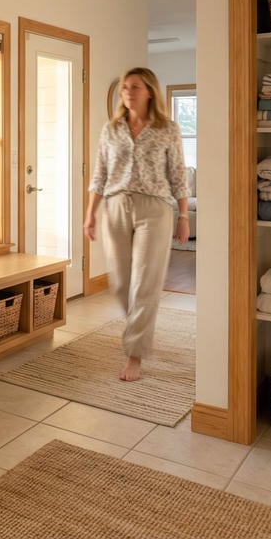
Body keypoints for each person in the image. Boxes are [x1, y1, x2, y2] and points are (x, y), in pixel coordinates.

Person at [84, 67, 190, 381]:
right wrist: (90, 213)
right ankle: (141, 331)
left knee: (145, 283)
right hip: (115, 206)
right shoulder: (111, 128)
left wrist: (183, 216)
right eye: (124, 88)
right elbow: (99, 174)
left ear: (149, 92)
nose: (128, 92)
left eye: (134, 87)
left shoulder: (167, 128)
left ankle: (135, 354)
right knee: (120, 282)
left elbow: (179, 176)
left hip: (154, 208)